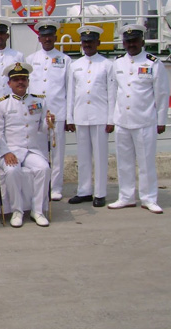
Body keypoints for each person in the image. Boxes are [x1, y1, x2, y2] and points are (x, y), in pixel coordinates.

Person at [109, 24, 170, 214]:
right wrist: (111, 119)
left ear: (142, 41)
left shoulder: (153, 63)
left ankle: (149, 198)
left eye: (134, 41)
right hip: (122, 120)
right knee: (124, 162)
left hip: (145, 120)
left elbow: (161, 94)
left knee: (146, 162)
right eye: (127, 41)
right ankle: (126, 197)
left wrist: (161, 121)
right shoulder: (117, 63)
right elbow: (113, 93)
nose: (131, 44)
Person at [0, 62, 53, 228]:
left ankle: (37, 210)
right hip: (10, 150)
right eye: (16, 79)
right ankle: (17, 210)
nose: (20, 82)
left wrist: (49, 122)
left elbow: (43, 129)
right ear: (9, 83)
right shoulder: (1, 103)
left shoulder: (38, 102)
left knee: (44, 169)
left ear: (28, 81)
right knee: (12, 170)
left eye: (23, 79)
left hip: (31, 150)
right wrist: (5, 152)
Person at [66, 26, 115, 207]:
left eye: (91, 41)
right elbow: (71, 93)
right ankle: (84, 190)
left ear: (98, 43)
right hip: (81, 116)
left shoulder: (107, 65)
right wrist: (70, 118)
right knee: (83, 155)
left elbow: (112, 93)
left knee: (101, 156)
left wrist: (111, 119)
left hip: (100, 116)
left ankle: (100, 193)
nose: (87, 45)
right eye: (85, 42)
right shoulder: (75, 65)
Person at [26, 20, 71, 201]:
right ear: (39, 37)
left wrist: (69, 115)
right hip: (37, 114)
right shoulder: (30, 59)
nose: (47, 39)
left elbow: (69, 89)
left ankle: (56, 187)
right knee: (38, 151)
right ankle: (41, 185)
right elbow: (28, 88)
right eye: (44, 36)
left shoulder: (65, 60)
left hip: (57, 111)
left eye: (50, 35)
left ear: (55, 37)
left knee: (57, 152)